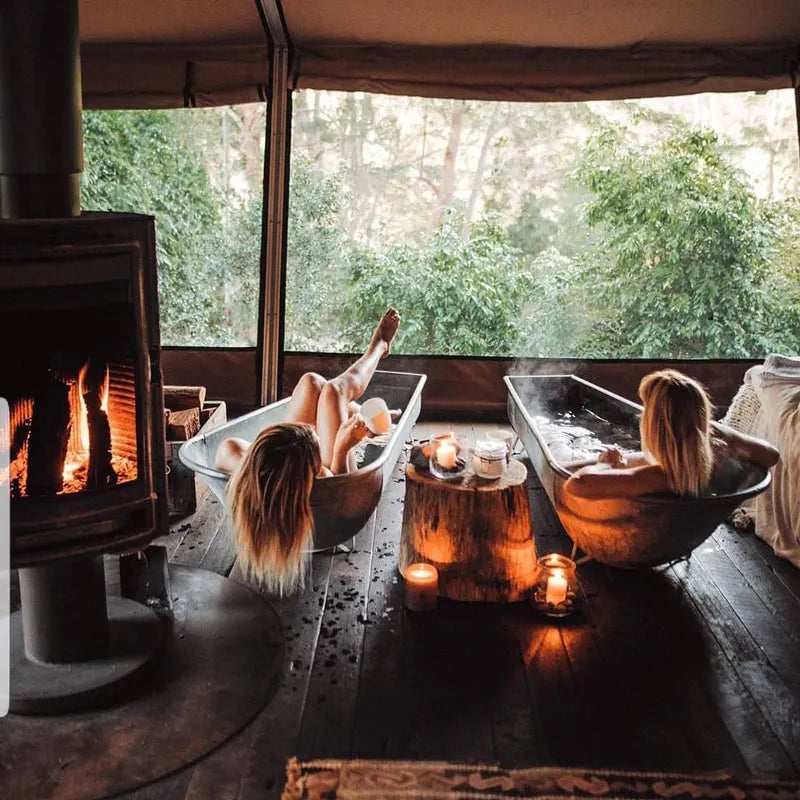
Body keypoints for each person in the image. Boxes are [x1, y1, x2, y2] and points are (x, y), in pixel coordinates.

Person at [214, 308, 401, 593]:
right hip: (337, 479)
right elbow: (342, 500)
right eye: (315, 438)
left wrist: (275, 451)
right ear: (308, 473)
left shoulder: (239, 455)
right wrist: (340, 449)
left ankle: (357, 411)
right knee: (334, 391)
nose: (313, 428)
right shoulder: (322, 477)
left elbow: (252, 457)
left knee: (313, 382)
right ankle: (377, 349)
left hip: (283, 463)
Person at [564, 369, 778, 500]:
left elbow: (576, 485)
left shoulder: (657, 477)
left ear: (655, 424)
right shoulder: (703, 461)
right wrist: (718, 432)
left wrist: (606, 465)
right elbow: (771, 455)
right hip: (690, 525)